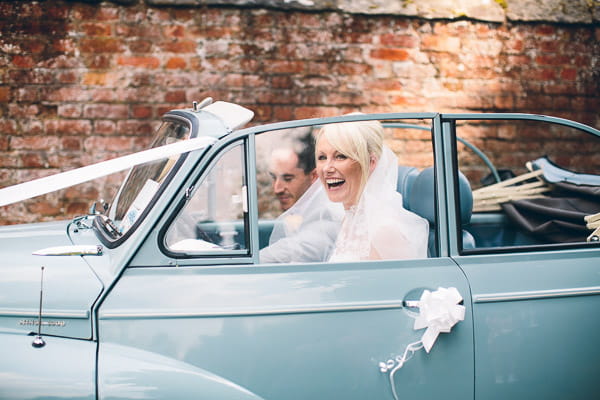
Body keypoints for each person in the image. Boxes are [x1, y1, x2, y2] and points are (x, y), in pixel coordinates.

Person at [315, 117, 429, 261]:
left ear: (371, 163)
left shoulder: (384, 231)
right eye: (322, 157)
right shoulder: (349, 219)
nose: (326, 168)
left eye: (340, 156)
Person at [260, 131, 343, 263]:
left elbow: (298, 248)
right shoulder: (307, 209)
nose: (277, 189)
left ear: (314, 176)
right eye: (274, 178)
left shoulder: (326, 216)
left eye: (287, 179)